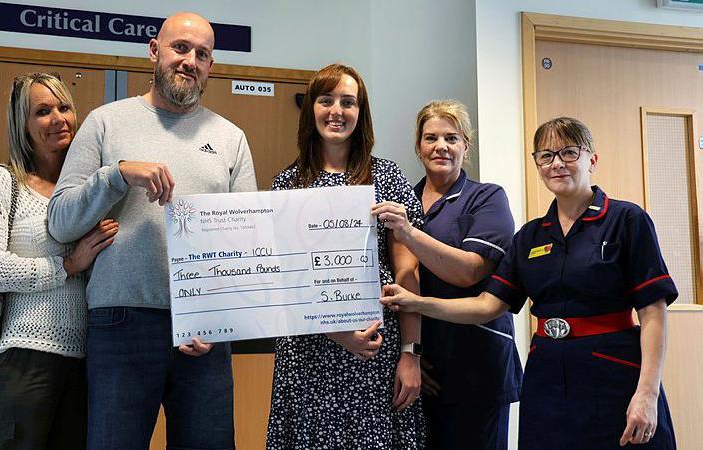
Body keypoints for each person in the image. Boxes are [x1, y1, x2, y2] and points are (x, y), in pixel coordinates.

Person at [381, 117, 677, 449]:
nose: (557, 163)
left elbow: (653, 311)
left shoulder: (627, 220)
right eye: (546, 156)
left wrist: (647, 392)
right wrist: (416, 302)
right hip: (547, 374)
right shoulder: (531, 236)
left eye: (569, 152)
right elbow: (487, 306)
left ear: (591, 159)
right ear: (537, 164)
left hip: (613, 371)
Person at [46, 12, 257, 450]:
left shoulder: (231, 137)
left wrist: (220, 321)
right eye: (181, 48)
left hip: (203, 334)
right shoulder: (105, 122)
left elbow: (247, 245)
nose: (190, 61)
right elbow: (61, 221)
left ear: (210, 66)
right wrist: (117, 175)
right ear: (154, 50)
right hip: (121, 322)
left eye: (202, 54)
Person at [265, 63, 425, 449]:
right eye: (326, 100)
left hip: (375, 355)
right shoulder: (286, 185)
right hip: (307, 356)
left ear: (361, 112)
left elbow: (407, 271)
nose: (336, 110)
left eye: (348, 102)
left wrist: (411, 353)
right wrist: (335, 330)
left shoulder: (387, 178)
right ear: (311, 110)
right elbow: (281, 278)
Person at [0, 72, 118, 449]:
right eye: (42, 111)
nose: (58, 119)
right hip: (21, 361)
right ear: (23, 124)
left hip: (84, 361)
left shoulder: (88, 194)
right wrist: (66, 266)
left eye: (64, 107)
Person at [372, 100, 521, 449]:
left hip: (477, 365)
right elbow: (399, 273)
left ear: (466, 146)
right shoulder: (402, 200)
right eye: (431, 138)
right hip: (422, 365)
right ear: (418, 146)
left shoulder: (486, 198)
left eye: (451, 138)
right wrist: (411, 352)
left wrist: (410, 233)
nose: (441, 146)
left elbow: (469, 271)